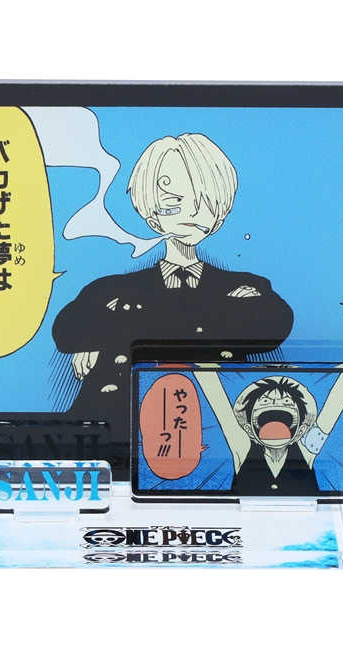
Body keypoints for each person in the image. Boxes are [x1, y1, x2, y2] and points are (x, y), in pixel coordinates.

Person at [52, 133, 293, 465]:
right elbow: (66, 332)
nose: (191, 213)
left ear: (219, 213)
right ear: (152, 214)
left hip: (212, 436)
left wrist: (116, 332)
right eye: (175, 202)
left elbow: (274, 326)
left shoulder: (245, 285)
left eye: (203, 203)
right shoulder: (111, 288)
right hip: (116, 438)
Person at [193, 370, 343, 495]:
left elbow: (335, 403)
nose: (275, 402)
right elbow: (220, 404)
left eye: (287, 402)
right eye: (265, 401)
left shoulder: (307, 448)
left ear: (302, 428)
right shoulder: (243, 448)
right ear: (248, 427)